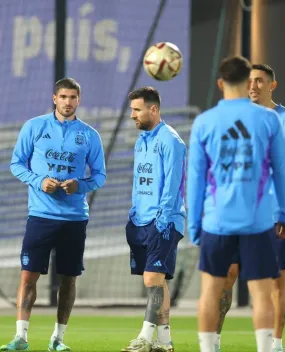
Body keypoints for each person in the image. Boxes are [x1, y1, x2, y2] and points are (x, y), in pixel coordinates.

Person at [186, 56, 285, 352]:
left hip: (216, 221)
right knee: (261, 292)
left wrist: (194, 225)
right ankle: (265, 348)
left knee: (210, 291)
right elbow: (282, 171)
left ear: (220, 83)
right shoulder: (269, 119)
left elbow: (195, 179)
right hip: (259, 220)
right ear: (248, 82)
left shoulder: (205, 122)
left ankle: (209, 349)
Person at [0, 77, 106, 351]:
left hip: (74, 218)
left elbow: (100, 176)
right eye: (63, 97)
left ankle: (58, 339)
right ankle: (21, 338)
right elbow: (16, 164)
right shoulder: (34, 127)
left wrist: (79, 185)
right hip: (41, 215)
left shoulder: (89, 135)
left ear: (78, 100)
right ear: (54, 98)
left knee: (68, 279)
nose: (68, 102)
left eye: (73, 97)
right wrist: (39, 181)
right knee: (28, 276)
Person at [120, 87, 186, 352]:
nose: (133, 115)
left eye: (137, 110)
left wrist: (162, 218)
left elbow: (172, 185)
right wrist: (135, 211)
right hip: (141, 220)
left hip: (164, 220)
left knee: (151, 279)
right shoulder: (141, 140)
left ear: (153, 109)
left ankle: (145, 338)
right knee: (159, 281)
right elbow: (140, 182)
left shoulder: (170, 141)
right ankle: (166, 343)